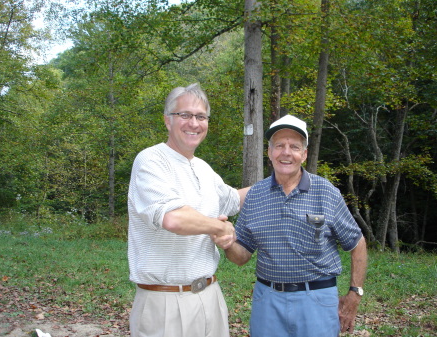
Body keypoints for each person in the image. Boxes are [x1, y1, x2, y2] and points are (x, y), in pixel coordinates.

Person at [214, 114, 367, 337]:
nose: (286, 152)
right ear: (269, 152)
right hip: (267, 300)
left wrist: (354, 294)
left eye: (294, 146)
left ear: (303, 154)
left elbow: (357, 243)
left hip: (317, 299)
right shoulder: (255, 195)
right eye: (279, 145)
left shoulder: (326, 192)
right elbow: (242, 256)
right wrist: (227, 242)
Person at [127, 83, 249, 337]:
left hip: (210, 297)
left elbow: (233, 199)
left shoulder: (203, 168)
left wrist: (281, 181)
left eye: (200, 116)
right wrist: (221, 227)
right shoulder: (151, 160)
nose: (193, 123)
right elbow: (173, 218)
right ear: (167, 120)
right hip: (164, 302)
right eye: (185, 115)